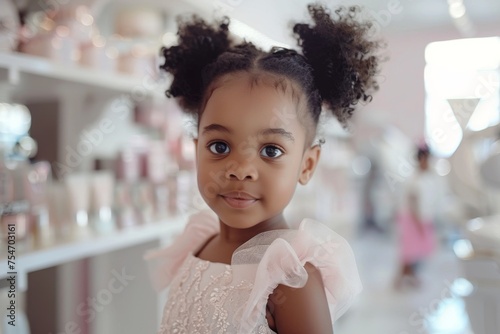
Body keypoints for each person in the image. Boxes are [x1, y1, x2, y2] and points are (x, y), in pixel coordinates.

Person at [145, 4, 382, 333]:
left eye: (270, 150)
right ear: (196, 146)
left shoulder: (290, 278)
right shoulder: (196, 244)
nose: (240, 169)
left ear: (306, 164)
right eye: (219, 146)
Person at [394, 144, 439, 289]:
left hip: (421, 218)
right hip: (412, 219)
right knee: (409, 251)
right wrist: (419, 222)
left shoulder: (426, 176)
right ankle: (399, 279)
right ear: (421, 159)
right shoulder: (414, 179)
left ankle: (411, 276)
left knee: (416, 250)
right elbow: (413, 202)